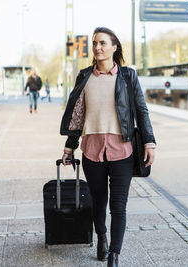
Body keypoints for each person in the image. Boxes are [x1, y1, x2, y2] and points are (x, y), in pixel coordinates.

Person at [60, 27, 156, 267]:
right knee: (98, 201)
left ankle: (114, 254)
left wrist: (149, 141)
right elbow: (76, 116)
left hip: (122, 148)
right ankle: (101, 236)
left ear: (114, 47)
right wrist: (70, 147)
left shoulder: (128, 76)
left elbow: (141, 110)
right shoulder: (84, 77)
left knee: (118, 205)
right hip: (92, 148)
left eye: (103, 43)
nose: (97, 47)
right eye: (95, 43)